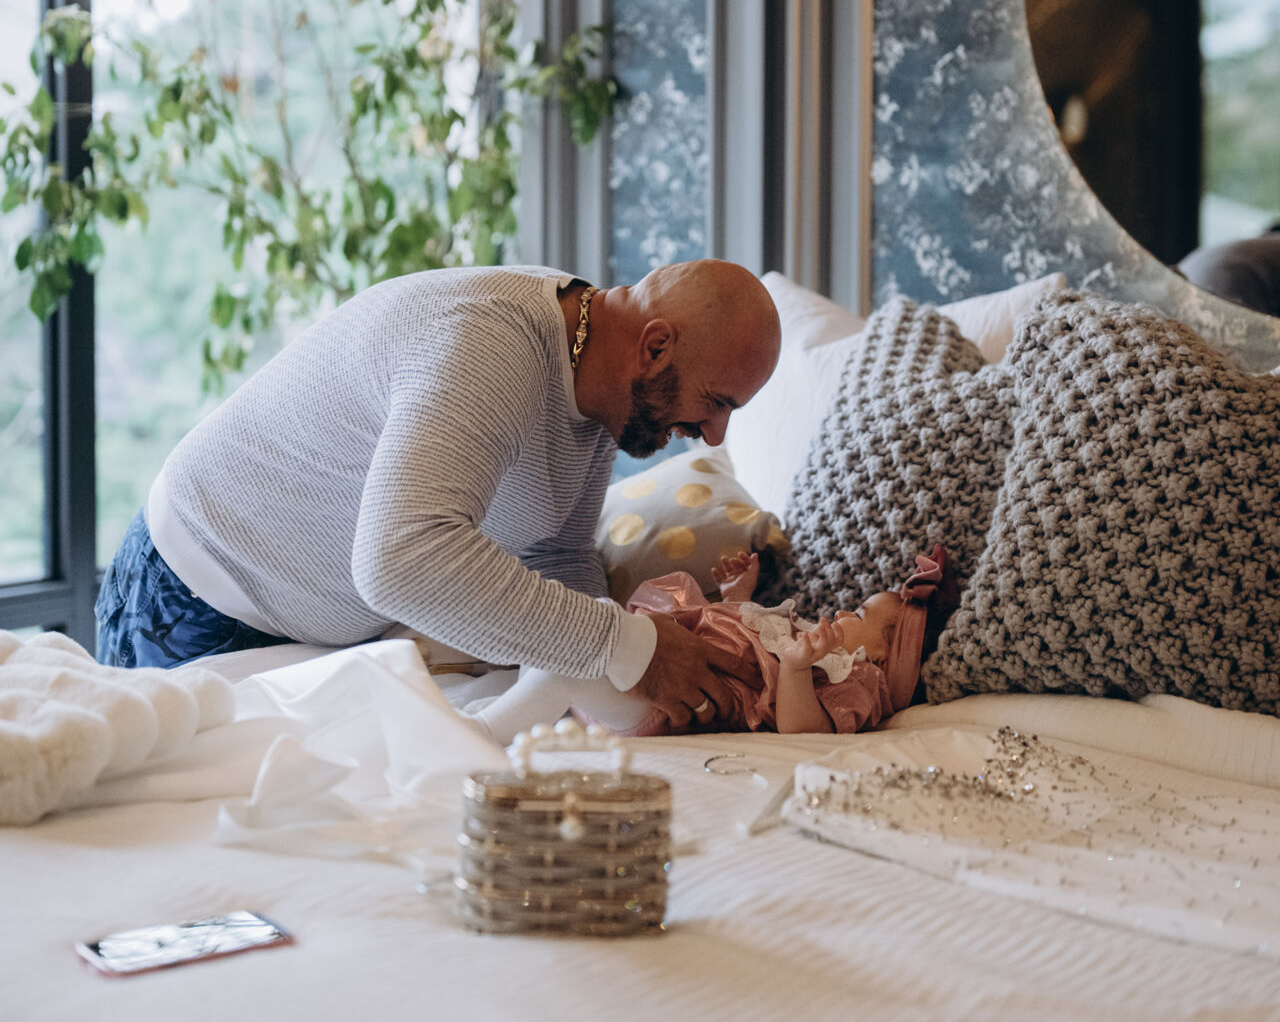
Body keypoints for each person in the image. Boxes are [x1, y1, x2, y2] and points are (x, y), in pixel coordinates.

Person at [95, 261, 781, 732]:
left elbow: (556, 556)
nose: (714, 435)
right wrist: (628, 647)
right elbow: (400, 559)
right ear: (655, 348)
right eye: (717, 402)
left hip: (309, 630)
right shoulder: (492, 342)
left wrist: (613, 689)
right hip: (189, 599)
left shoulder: (602, 387)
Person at [465, 546, 957, 744]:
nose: (846, 613)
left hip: (666, 705)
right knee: (581, 628)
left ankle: (479, 735)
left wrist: (795, 669)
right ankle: (506, 714)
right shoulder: (810, 642)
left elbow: (803, 730)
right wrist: (737, 596)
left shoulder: (857, 678)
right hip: (653, 675)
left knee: (570, 658)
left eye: (862, 615)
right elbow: (735, 641)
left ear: (885, 654)